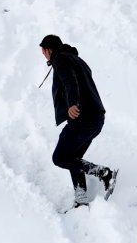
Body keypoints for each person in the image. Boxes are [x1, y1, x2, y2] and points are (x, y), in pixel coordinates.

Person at [39, 34, 117, 210]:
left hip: (83, 118)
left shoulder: (60, 59)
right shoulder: (77, 59)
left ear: (47, 49)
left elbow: (70, 81)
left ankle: (105, 174)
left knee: (59, 158)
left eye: (43, 51)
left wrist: (72, 103)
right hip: (96, 118)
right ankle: (81, 198)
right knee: (72, 158)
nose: (43, 55)